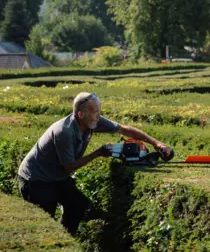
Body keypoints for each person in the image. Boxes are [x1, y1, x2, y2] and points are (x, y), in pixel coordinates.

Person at [18, 92, 172, 236]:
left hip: (55, 176)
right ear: (80, 114)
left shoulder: (92, 121)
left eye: (99, 111)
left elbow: (125, 130)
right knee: (46, 223)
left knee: (79, 205)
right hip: (36, 180)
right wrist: (97, 153)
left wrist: (156, 143)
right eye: (95, 112)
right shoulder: (63, 132)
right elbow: (69, 167)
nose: (99, 116)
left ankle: (64, 239)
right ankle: (55, 243)